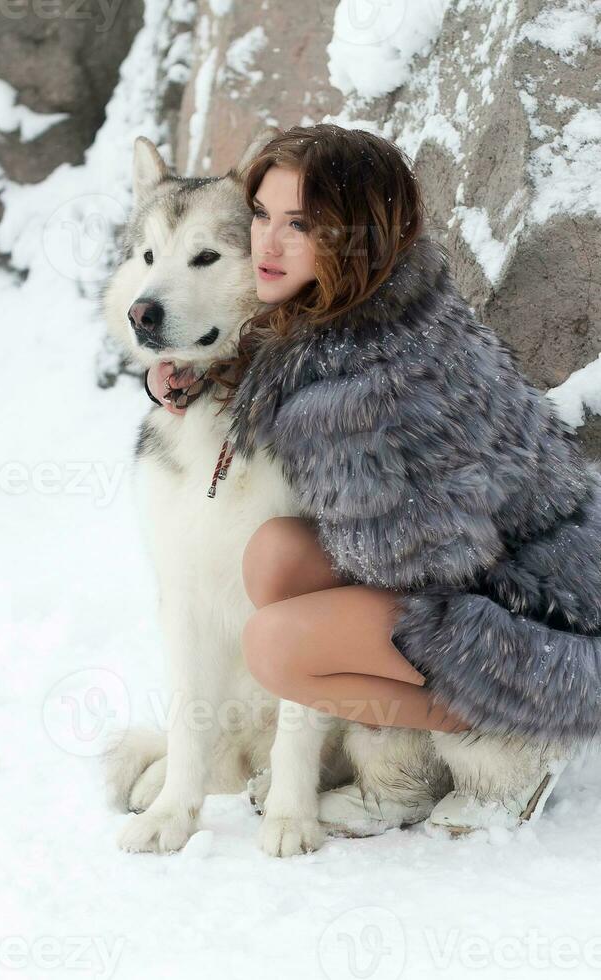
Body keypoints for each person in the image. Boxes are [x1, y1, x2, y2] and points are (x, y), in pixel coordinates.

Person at [146, 124, 601, 752]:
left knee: (276, 646)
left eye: (299, 225)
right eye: (259, 215)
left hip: (543, 638)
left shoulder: (360, 390)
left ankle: (498, 740)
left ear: (349, 234)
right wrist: (199, 374)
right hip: (540, 581)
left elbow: (412, 559)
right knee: (276, 552)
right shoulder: (375, 302)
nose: (266, 243)